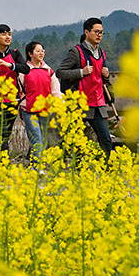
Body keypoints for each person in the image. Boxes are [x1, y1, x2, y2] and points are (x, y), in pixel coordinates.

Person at [56, 17, 113, 159]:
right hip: (79, 103)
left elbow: (101, 78)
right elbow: (60, 72)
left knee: (106, 139)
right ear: (86, 32)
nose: (99, 35)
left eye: (101, 32)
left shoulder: (102, 53)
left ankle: (108, 169)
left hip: (98, 102)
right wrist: (81, 72)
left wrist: (106, 75)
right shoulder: (76, 52)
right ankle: (75, 169)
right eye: (96, 31)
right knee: (75, 140)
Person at [0, 24, 29, 152]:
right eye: (3, 34)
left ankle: (0, 155)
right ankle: (3, 157)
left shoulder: (15, 54)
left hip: (12, 99)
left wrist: (9, 65)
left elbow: (26, 69)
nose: (7, 37)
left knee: (7, 131)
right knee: (1, 129)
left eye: (9, 34)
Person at [18, 41, 61, 165]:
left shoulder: (49, 71)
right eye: (38, 51)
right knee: (36, 139)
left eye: (42, 51)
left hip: (45, 110)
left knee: (41, 139)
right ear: (30, 54)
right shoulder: (24, 71)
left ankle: (30, 161)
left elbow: (55, 91)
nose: (41, 53)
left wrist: (58, 106)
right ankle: (36, 167)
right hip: (28, 109)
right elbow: (20, 89)